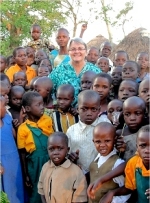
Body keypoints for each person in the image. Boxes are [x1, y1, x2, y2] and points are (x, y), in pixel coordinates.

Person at [17, 91, 54, 203]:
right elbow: (22, 153)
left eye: (42, 104)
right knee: (36, 191)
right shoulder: (23, 129)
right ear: (27, 108)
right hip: (34, 165)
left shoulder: (47, 120)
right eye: (38, 105)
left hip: (50, 160)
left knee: (52, 188)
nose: (42, 107)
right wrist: (26, 174)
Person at [66, 90, 110, 180]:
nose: (89, 113)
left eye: (93, 109)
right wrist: (71, 157)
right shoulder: (71, 131)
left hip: (102, 176)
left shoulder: (105, 125)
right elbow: (67, 154)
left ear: (99, 109)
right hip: (78, 176)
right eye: (84, 109)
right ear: (78, 109)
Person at [100, 125, 150, 203]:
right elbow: (129, 188)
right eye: (143, 146)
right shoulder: (133, 163)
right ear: (137, 147)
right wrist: (113, 192)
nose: (147, 150)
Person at [38, 132, 88, 203]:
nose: (55, 152)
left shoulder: (76, 171)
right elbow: (41, 188)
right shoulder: (45, 167)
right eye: (51, 149)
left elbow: (80, 197)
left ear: (67, 150)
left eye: (60, 148)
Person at [49, 37, 101, 106]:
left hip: (90, 114)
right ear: (68, 52)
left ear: (86, 52)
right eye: (73, 49)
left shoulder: (96, 71)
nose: (76, 51)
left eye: (80, 48)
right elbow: (47, 91)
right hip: (63, 114)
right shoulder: (58, 71)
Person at [89, 122, 130, 203]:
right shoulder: (95, 160)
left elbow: (127, 189)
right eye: (98, 142)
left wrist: (113, 200)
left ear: (114, 140)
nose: (102, 145)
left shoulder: (117, 163)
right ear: (93, 141)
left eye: (107, 141)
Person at [0, 96, 24, 203]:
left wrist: (21, 120)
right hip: (2, 163)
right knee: (5, 189)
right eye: (4, 106)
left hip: (14, 159)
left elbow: (16, 137)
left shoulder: (7, 118)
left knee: (16, 185)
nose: (6, 108)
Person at [116, 96, 146, 161]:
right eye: (127, 114)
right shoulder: (120, 134)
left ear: (144, 114)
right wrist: (121, 151)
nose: (132, 118)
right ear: (123, 115)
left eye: (137, 113)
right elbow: (117, 159)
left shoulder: (147, 133)